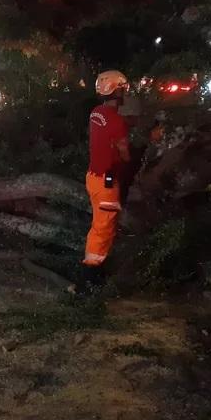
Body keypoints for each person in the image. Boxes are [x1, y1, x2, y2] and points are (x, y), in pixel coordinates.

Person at [79, 70, 132, 294]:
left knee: (101, 226)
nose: (124, 93)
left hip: (93, 177)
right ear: (116, 91)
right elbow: (125, 153)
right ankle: (88, 279)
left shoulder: (95, 113)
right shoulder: (117, 121)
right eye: (122, 89)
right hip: (106, 181)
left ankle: (94, 273)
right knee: (103, 228)